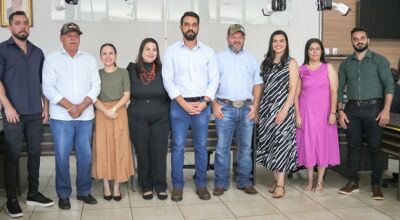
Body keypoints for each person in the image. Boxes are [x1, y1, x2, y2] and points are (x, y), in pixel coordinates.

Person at [0, 11, 54, 218]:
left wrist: (46, 107)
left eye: (25, 23)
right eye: (17, 23)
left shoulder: (37, 52)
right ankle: (12, 198)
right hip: (13, 113)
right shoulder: (3, 50)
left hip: (35, 113)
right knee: (13, 154)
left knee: (34, 153)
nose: (22, 26)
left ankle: (33, 192)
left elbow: (44, 83)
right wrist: (7, 106)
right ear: (9, 27)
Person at [42, 22, 101, 209]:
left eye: (76, 35)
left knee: (85, 156)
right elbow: (48, 88)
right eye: (69, 35)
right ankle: (64, 194)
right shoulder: (52, 59)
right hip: (61, 118)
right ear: (61, 38)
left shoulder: (89, 59)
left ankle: (84, 192)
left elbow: (96, 86)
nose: (73, 38)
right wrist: (70, 107)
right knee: (62, 156)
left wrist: (82, 106)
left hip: (85, 117)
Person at [162, 11, 219, 201]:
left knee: (200, 147)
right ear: (181, 27)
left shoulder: (208, 52)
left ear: (198, 28)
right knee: (178, 147)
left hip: (202, 105)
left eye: (194, 24)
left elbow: (214, 80)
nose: (190, 28)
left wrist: (204, 102)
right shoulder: (171, 51)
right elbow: (168, 80)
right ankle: (177, 185)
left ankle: (201, 184)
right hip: (179, 106)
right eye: (187, 24)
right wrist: (184, 103)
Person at [337, 26, 394, 200]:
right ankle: (352, 181)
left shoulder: (380, 61)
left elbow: (389, 86)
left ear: (367, 40)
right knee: (353, 147)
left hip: (374, 109)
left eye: (362, 38)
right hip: (351, 110)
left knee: (375, 148)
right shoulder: (346, 63)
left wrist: (386, 109)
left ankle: (376, 185)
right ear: (352, 41)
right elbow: (339, 89)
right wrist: (340, 110)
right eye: (355, 38)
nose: (359, 41)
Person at [212, 24, 262, 196]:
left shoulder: (251, 59)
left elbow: (257, 83)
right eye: (234, 37)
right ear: (228, 39)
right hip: (225, 108)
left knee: (246, 148)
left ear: (244, 39)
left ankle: (244, 182)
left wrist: (255, 105)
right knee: (222, 148)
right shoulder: (218, 58)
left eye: (240, 37)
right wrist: (213, 103)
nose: (237, 40)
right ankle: (220, 182)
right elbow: (210, 81)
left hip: (247, 108)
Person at [256, 30, 299, 199]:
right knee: (270, 146)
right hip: (266, 110)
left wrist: (284, 110)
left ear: (286, 43)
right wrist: (259, 109)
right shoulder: (265, 63)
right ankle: (275, 181)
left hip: (283, 111)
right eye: (275, 40)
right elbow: (262, 88)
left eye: (281, 40)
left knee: (281, 146)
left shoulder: (291, 63)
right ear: (271, 43)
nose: (278, 43)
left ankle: (281, 185)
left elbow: (293, 90)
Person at [294, 38, 340, 193]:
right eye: (311, 49)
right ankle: (310, 180)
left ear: (322, 51)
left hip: (324, 115)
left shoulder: (328, 68)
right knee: (308, 146)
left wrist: (333, 112)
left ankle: (320, 181)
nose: (314, 51)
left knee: (322, 146)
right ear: (307, 51)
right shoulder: (301, 69)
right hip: (305, 114)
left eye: (317, 48)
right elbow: (296, 94)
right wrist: (297, 115)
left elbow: (334, 91)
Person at [127, 38, 170, 200]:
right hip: (137, 117)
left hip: (161, 117)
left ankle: (160, 186)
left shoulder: (163, 69)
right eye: (147, 49)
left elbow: (170, 92)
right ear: (141, 51)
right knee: (143, 152)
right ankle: (146, 185)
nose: (151, 52)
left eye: (154, 49)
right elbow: (124, 91)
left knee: (159, 152)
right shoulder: (131, 69)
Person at [92, 43, 134, 201]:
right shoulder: (96, 74)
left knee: (119, 147)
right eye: (104, 53)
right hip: (101, 112)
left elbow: (127, 94)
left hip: (119, 111)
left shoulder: (123, 73)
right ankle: (105, 185)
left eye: (111, 53)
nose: (108, 56)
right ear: (100, 57)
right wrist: (104, 110)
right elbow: (93, 96)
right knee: (103, 148)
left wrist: (114, 109)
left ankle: (116, 185)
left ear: (116, 55)